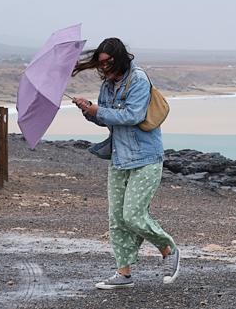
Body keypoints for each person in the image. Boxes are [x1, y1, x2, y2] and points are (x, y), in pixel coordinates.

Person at [71, 38, 179, 290]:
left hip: (145, 158)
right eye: (101, 63)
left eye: (108, 62)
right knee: (117, 219)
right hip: (120, 158)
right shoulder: (108, 86)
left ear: (120, 58)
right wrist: (88, 110)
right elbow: (108, 121)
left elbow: (133, 116)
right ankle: (124, 273)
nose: (105, 68)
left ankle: (168, 248)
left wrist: (98, 110)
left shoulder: (138, 79)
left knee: (133, 215)